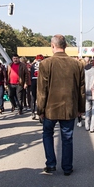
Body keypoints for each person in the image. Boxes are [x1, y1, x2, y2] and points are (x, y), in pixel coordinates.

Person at [37, 35, 85, 176]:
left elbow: (41, 90)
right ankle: (67, 167)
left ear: (52, 46)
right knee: (67, 138)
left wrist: (40, 109)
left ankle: (51, 164)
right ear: (65, 46)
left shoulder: (46, 64)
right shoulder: (77, 64)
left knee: (47, 134)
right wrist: (81, 109)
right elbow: (81, 89)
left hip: (50, 109)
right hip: (69, 109)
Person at [29, 55, 43, 119]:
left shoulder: (32, 65)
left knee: (33, 98)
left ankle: (33, 112)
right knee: (41, 98)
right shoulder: (44, 65)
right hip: (41, 82)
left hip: (33, 82)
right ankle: (40, 113)